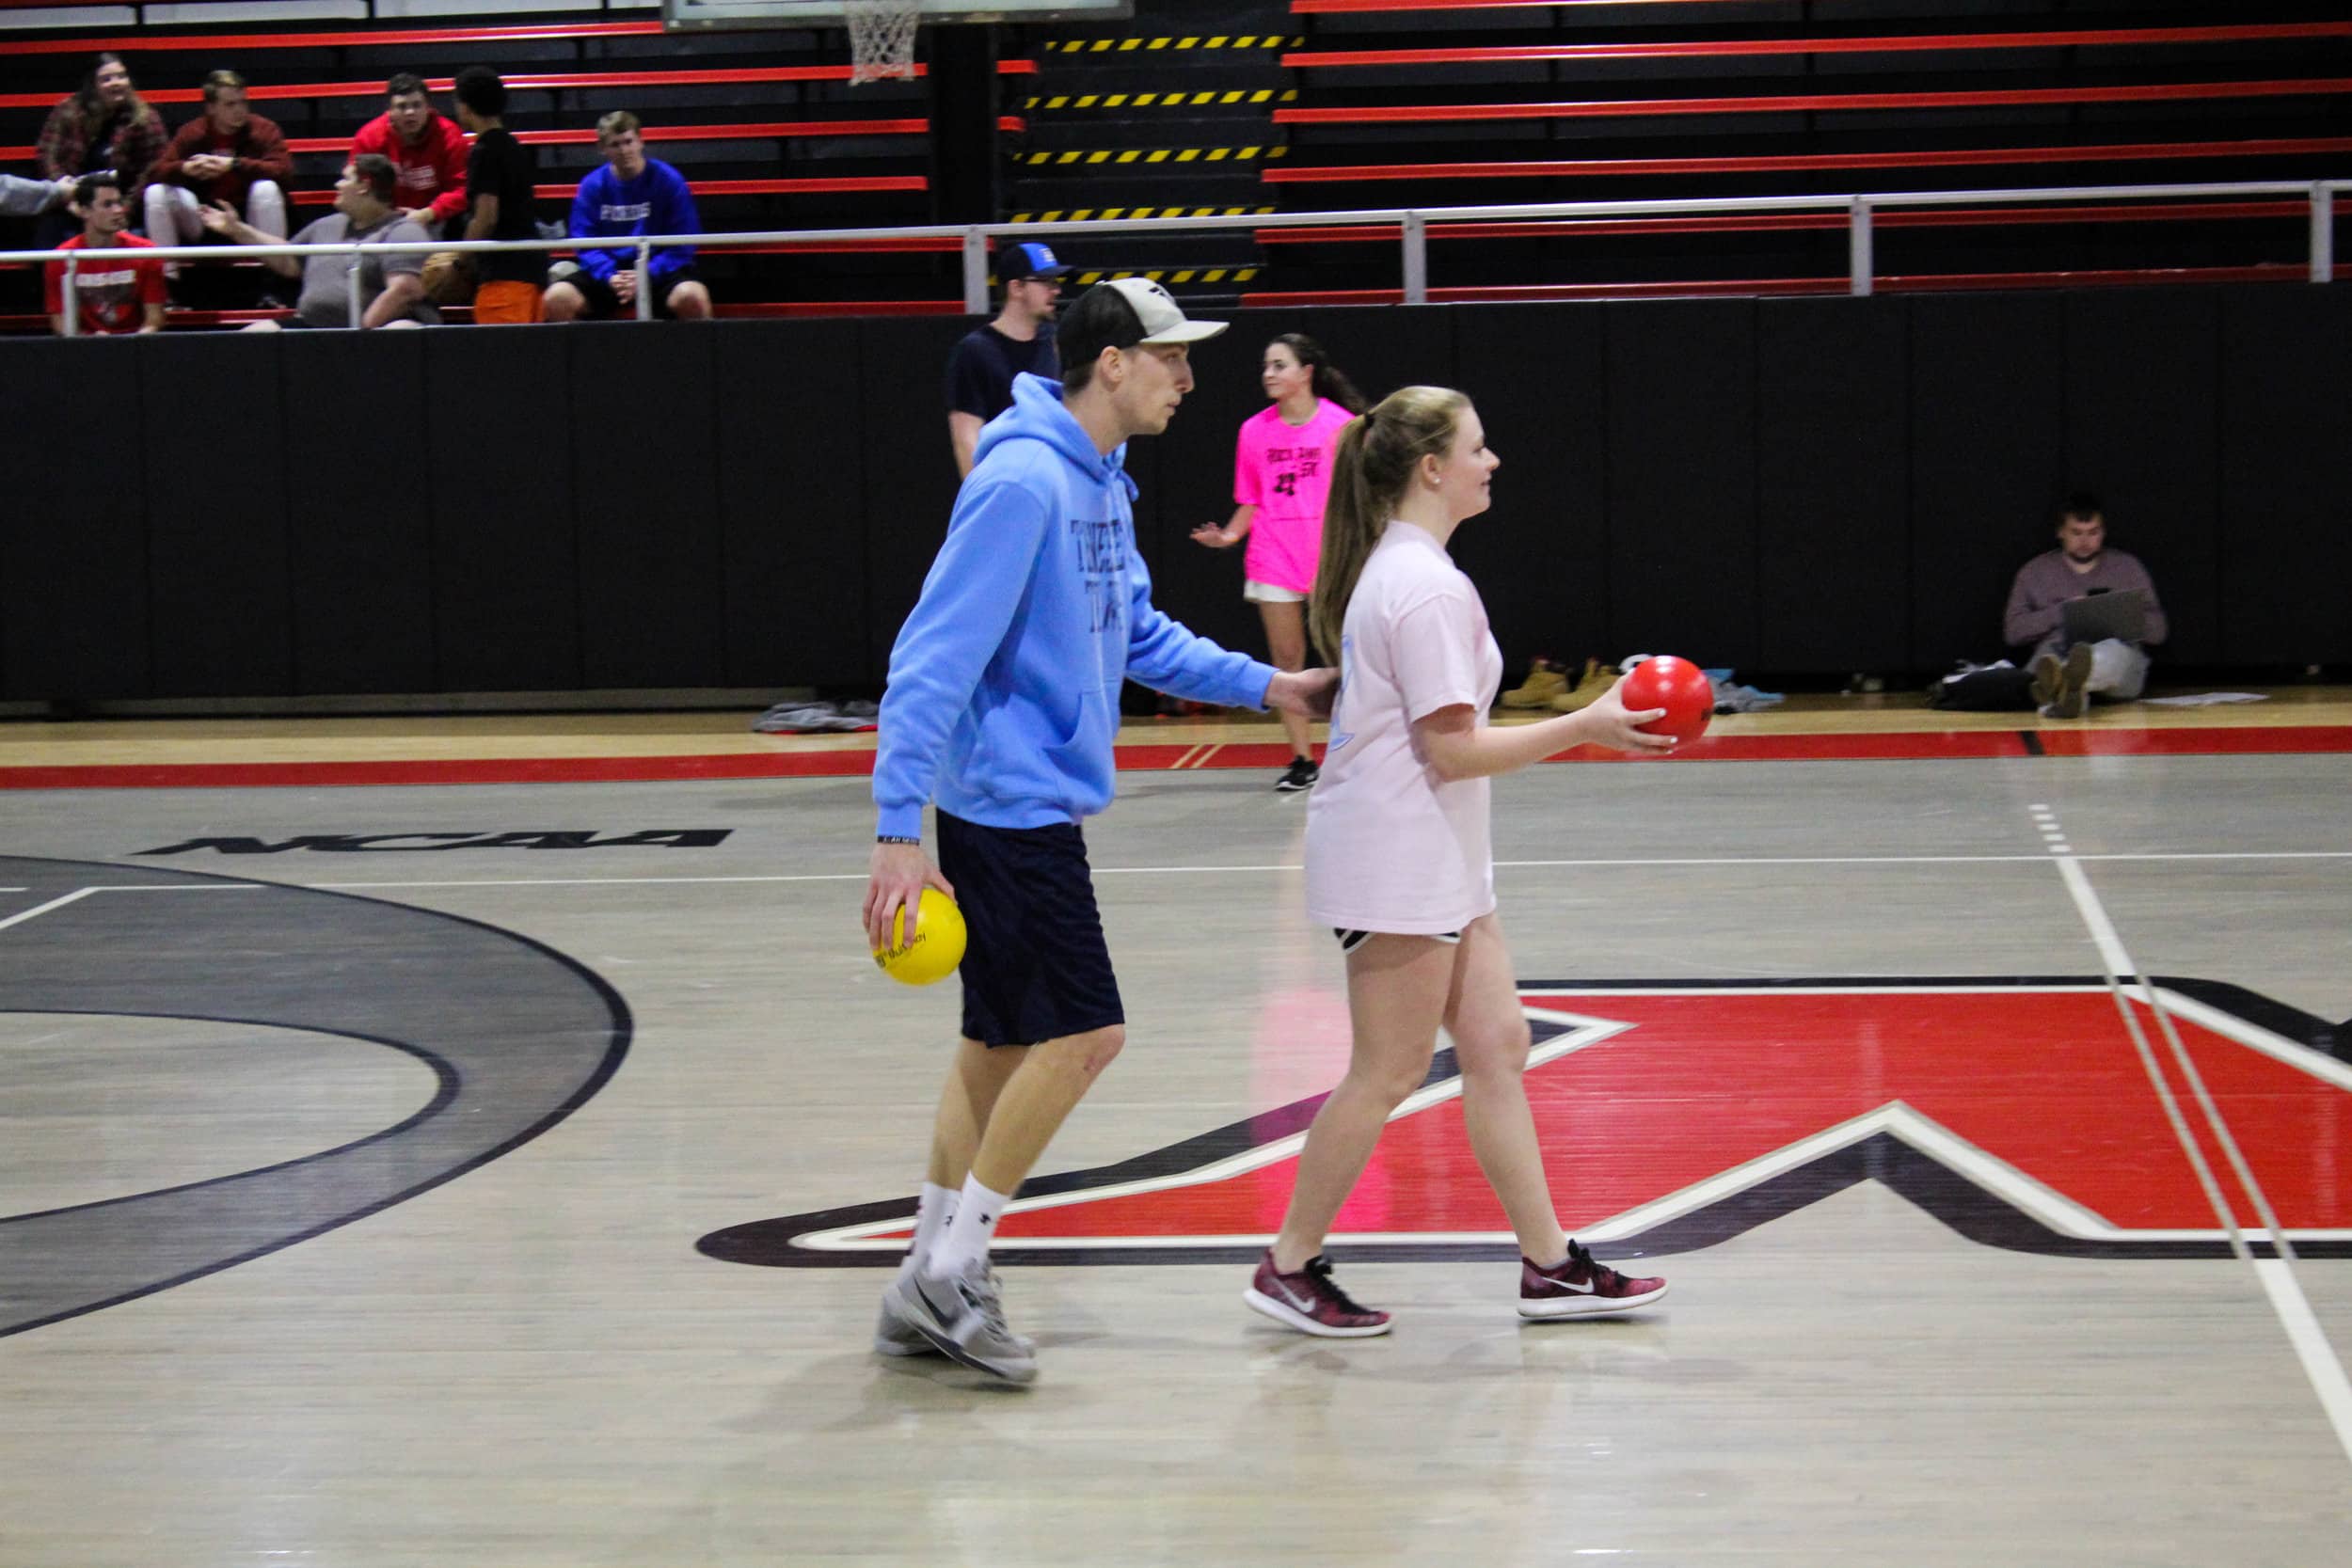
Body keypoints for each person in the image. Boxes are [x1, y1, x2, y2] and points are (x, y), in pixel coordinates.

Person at [864, 278, 1338, 1384]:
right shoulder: (1023, 481)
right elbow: (930, 655)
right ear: (1112, 363)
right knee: (1086, 1033)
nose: (1187, 377)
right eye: (1170, 357)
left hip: (1023, 801)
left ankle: (923, 1269)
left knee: (998, 1043)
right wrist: (896, 825)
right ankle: (953, 1273)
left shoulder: (1098, 485)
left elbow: (1140, 636)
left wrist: (1270, 683)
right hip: (1004, 807)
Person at [1243, 385, 1675, 1339]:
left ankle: (1550, 1265)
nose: (1493, 461)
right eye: (1478, 447)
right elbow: (1453, 748)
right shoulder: (1425, 585)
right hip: (1396, 857)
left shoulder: (1412, 571)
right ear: (1431, 468)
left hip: (1435, 851)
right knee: (1386, 1071)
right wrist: (1591, 724)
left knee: (1497, 1044)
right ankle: (1287, 1264)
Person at [1190, 333, 1368, 792]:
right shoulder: (1253, 431)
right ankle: (1302, 760)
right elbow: (1251, 498)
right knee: (1288, 662)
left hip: (1328, 556)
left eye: (1279, 365)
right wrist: (1228, 535)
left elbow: (1359, 495)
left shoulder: (1342, 425)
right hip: (1272, 554)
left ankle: (1353, 753)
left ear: (1306, 373)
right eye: (1266, 366)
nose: (1268, 374)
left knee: (1344, 656)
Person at [205, 156, 434, 330]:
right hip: (313, 329)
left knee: (399, 331)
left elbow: (404, 290)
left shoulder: (403, 230)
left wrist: (363, 332)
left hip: (377, 332)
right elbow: (289, 261)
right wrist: (237, 230)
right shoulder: (326, 225)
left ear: (364, 185)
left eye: (345, 178)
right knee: (253, 336)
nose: (337, 184)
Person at [2002, 492, 2169, 719]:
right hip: (2057, 649)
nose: (2085, 541)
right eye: (2076, 533)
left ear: (2104, 532)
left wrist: (2117, 614)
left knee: (2111, 654)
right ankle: (2071, 689)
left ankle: (2066, 684)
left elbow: (2159, 632)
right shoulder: (2033, 572)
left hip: (2116, 657)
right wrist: (2061, 613)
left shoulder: (2128, 568)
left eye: (2093, 533)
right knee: (2049, 659)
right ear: (2060, 532)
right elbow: (2013, 632)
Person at [542, 112, 710, 325]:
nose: (624, 150)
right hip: (609, 275)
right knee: (557, 298)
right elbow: (583, 241)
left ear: (641, 141)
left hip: (659, 272)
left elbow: (685, 242)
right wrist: (609, 275)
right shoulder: (592, 186)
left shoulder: (669, 181)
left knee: (692, 297)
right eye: (615, 144)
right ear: (602, 148)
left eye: (629, 142)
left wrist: (646, 273)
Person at [943, 240, 1071, 477]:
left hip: (1051, 483)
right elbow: (966, 440)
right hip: (1003, 483)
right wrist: (986, 499)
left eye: (1056, 282)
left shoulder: (1054, 342)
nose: (1056, 290)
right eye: (1046, 282)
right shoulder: (974, 352)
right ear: (1016, 288)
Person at [33, 54, 167, 248]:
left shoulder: (145, 117)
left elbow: (153, 169)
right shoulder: (68, 111)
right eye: (107, 79)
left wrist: (123, 209)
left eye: (121, 76)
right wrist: (66, 195)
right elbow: (47, 156)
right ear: (93, 84)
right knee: (48, 237)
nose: (116, 83)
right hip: (73, 201)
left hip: (122, 205)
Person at [144, 71, 290, 250]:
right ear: (211, 107)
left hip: (248, 221)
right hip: (204, 217)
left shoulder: (263, 130)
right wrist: (185, 168)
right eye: (230, 104)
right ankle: (167, 274)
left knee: (266, 189)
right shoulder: (192, 132)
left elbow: (284, 171)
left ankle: (276, 270)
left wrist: (234, 164)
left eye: (243, 102)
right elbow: (156, 172)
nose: (239, 110)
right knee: (156, 192)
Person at [450, 66, 542, 325]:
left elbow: (486, 218)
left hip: (504, 278)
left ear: (465, 107)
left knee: (502, 360)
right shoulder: (514, 146)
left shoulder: (484, 152)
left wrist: (459, 262)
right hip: (531, 273)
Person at [43, 172, 166, 337]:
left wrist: (134, 344)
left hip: (137, 347)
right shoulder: (60, 258)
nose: (118, 210)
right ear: (85, 211)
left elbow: (154, 319)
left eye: (118, 203)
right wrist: (92, 341)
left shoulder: (146, 252)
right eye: (107, 205)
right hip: (85, 349)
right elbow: (61, 324)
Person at [350, 73, 470, 237]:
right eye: (401, 106)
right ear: (389, 111)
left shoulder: (449, 135)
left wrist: (429, 213)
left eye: (417, 105)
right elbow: (356, 185)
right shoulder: (369, 137)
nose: (410, 112)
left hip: (436, 219)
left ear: (428, 108)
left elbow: (461, 189)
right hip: (382, 219)